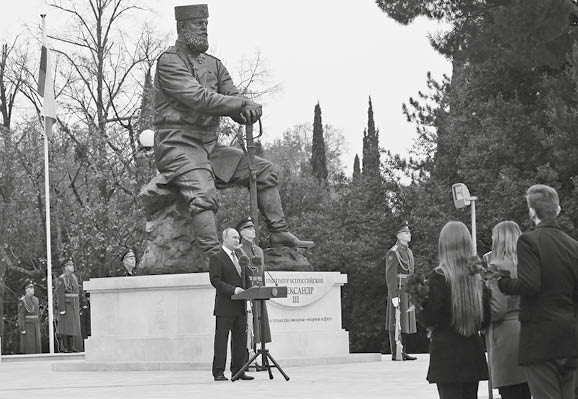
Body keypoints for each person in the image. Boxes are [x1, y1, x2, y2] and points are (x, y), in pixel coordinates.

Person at [152, 4, 313, 258]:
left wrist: (245, 110)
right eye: (198, 24)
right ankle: (215, 256)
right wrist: (238, 104)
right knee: (204, 193)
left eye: (206, 23)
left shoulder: (215, 65)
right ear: (182, 27)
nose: (205, 28)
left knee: (263, 171)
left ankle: (279, 232)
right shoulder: (169, 61)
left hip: (209, 147)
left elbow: (232, 96)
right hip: (177, 144)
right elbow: (199, 98)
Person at [498, 184, 578, 398]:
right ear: (558, 209)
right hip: (570, 337)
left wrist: (503, 282)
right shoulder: (573, 245)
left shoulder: (529, 240)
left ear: (532, 211)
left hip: (540, 339)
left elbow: (529, 284)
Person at [419, 221, 490, 399]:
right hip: (472, 352)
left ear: (443, 246)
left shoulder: (438, 278)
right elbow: (485, 319)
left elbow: (430, 317)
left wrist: (420, 301)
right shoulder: (476, 278)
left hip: (446, 355)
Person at [486, 221, 530, 399]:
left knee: (511, 392)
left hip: (506, 334)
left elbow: (497, 309)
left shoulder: (496, 266)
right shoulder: (529, 264)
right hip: (529, 328)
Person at [208, 228, 254, 381]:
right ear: (225, 239)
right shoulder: (217, 257)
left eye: (238, 238)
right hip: (225, 306)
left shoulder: (241, 257)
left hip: (240, 306)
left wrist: (251, 291)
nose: (237, 240)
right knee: (222, 340)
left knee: (240, 340)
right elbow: (216, 280)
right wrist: (233, 290)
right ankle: (219, 372)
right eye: (234, 237)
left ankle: (238, 370)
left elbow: (245, 278)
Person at [236, 216, 272, 363]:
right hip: (248, 294)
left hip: (259, 293)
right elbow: (241, 275)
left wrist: (263, 290)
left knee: (259, 327)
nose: (252, 230)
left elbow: (261, 273)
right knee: (248, 327)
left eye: (252, 227)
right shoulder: (239, 250)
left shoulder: (258, 251)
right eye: (248, 228)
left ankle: (258, 357)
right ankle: (248, 357)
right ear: (241, 232)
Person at [385, 221, 417, 361]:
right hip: (398, 289)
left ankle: (403, 351)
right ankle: (395, 351)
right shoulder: (394, 252)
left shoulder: (408, 251)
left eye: (409, 232)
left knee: (404, 321)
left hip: (407, 288)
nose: (409, 234)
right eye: (405, 232)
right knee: (395, 320)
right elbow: (390, 276)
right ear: (398, 235)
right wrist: (393, 295)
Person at [54, 259, 83, 353]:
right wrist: (61, 308)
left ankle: (73, 346)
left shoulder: (74, 278)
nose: (72, 267)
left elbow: (77, 292)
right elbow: (60, 294)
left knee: (74, 327)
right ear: (65, 267)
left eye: (72, 265)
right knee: (67, 327)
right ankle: (66, 346)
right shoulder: (62, 279)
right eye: (69, 265)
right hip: (67, 305)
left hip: (74, 305)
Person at [18, 281, 41, 354]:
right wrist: (22, 328)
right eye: (30, 288)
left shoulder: (36, 299)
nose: (33, 289)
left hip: (36, 324)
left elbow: (37, 312)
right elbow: (21, 316)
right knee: (30, 345)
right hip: (28, 325)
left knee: (37, 344)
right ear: (26, 289)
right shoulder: (23, 301)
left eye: (33, 288)